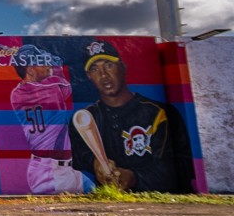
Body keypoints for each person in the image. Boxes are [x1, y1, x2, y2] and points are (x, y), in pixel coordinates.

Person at [68, 39, 193, 194]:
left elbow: (182, 166)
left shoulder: (159, 113)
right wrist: (95, 163)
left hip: (162, 204)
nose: (103, 75)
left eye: (109, 65)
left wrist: (134, 177)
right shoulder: (85, 118)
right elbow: (77, 157)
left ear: (123, 67)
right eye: (95, 69)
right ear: (89, 76)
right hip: (106, 208)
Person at [10, 43, 84, 195]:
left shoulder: (17, 93)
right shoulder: (49, 87)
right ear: (30, 69)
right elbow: (65, 87)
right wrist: (57, 66)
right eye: (41, 63)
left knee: (97, 190)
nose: (47, 66)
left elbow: (62, 91)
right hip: (51, 171)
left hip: (60, 168)